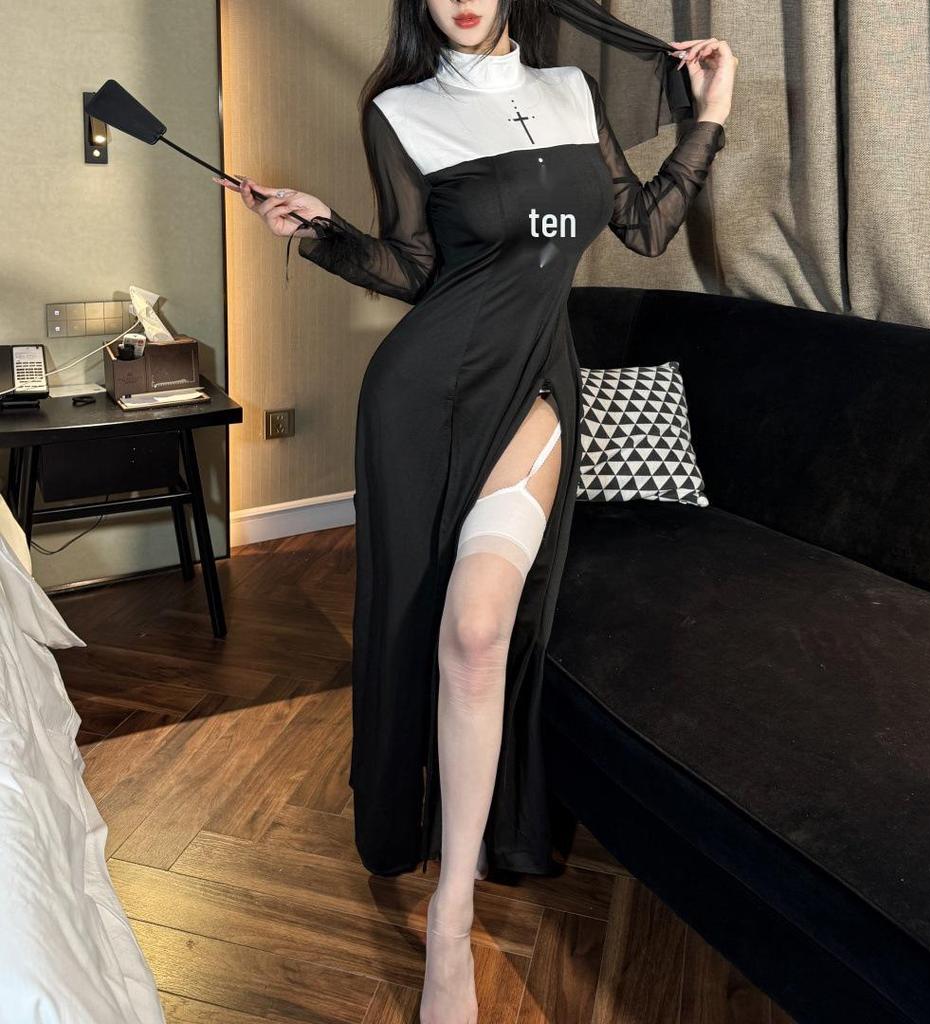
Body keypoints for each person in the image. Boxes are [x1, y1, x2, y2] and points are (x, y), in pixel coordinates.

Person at [217, 2, 735, 1020]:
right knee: (419, 624)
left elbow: (643, 224)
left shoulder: (572, 91)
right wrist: (321, 233)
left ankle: (450, 910)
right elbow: (416, 269)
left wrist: (708, 116)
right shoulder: (399, 111)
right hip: (421, 400)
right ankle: (439, 895)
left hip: (534, 390)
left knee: (479, 630)